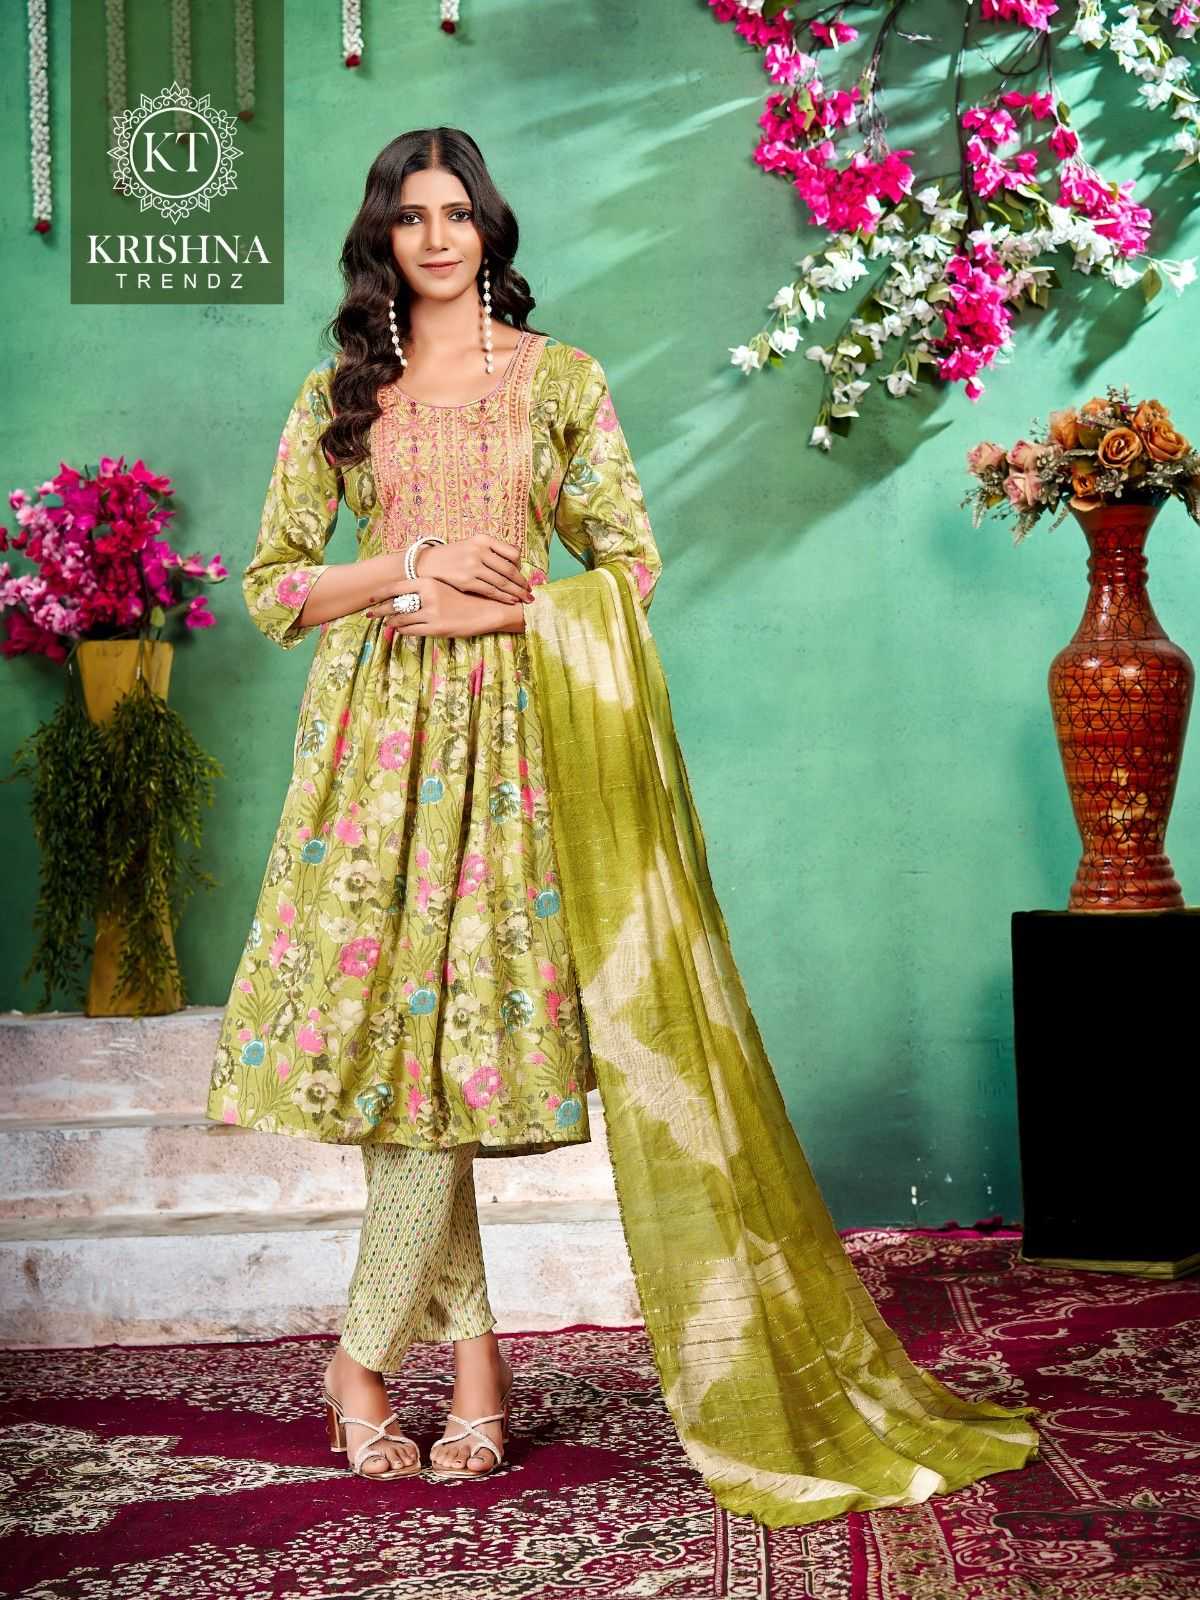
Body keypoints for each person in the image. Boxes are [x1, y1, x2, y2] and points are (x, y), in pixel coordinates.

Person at [207, 126, 1040, 1522]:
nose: (435, 238)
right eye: (409, 216)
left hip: (522, 753)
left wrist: (501, 614)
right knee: (411, 1066)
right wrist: (409, 567)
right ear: (381, 238)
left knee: (453, 1062)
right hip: (373, 756)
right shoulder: (341, 395)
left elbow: (629, 566)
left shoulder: (563, 383)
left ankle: (363, 1363)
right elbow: (276, 587)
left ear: (490, 228)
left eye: (456, 212)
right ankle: (471, 1372)